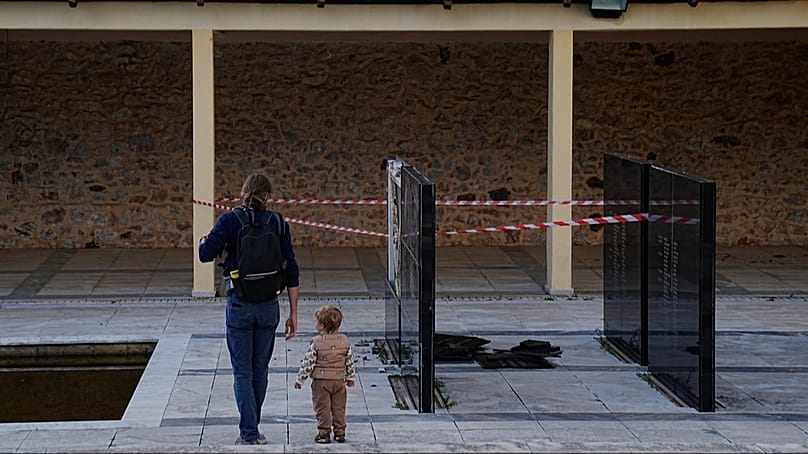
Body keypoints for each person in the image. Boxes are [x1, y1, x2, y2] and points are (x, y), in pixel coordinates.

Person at [198, 173, 299, 445]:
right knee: (260, 369)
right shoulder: (278, 222)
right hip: (269, 306)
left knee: (242, 371)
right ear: (268, 196)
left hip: (240, 305)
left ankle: (249, 433)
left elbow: (206, 255)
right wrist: (293, 313)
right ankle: (253, 427)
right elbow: (292, 270)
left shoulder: (230, 220)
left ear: (243, 193)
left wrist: (203, 242)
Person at [294, 305, 356, 444]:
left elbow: (308, 363)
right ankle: (340, 432)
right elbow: (349, 361)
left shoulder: (316, 342)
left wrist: (300, 380)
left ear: (321, 325)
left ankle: (324, 433)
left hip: (321, 382)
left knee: (323, 408)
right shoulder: (344, 341)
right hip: (339, 381)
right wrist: (350, 377)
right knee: (339, 407)